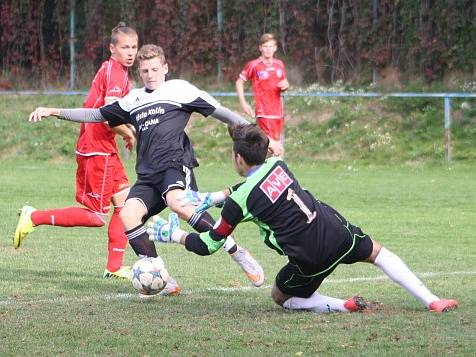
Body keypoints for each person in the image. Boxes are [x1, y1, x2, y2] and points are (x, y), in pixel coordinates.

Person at [27, 44, 268, 295]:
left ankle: (235, 250)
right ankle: (161, 276)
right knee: (128, 215)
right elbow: (96, 114)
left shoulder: (180, 89)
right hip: (148, 175)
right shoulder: (134, 99)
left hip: (175, 165)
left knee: (179, 204)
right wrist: (54, 111)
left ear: (165, 68)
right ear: (139, 73)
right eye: (144, 71)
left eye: (155, 69)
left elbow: (224, 114)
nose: (150, 74)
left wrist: (260, 138)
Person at [147, 124, 459, 313]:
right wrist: (213, 196)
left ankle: (340, 305)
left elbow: (209, 245)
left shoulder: (239, 203)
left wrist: (175, 236)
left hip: (310, 257)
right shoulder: (278, 163)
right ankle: (431, 299)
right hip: (336, 231)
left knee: (281, 297)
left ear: (238, 159)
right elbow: (253, 183)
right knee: (379, 253)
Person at [14, 23, 138, 279]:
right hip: (96, 150)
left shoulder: (114, 70)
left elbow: (108, 115)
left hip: (104, 147)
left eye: (134, 47)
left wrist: (124, 130)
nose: (131, 52)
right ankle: (34, 216)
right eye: (125, 47)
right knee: (95, 216)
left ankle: (114, 267)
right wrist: (130, 132)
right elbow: (108, 119)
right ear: (112, 48)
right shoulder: (115, 73)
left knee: (124, 204)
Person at [236, 33, 289, 157]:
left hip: (278, 113)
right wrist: (243, 103)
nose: (268, 49)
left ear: (275, 48)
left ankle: (271, 172)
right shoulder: (254, 65)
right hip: (264, 112)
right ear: (260, 48)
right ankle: (269, 173)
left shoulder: (279, 65)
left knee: (276, 148)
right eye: (265, 46)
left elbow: (283, 84)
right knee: (272, 148)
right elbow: (239, 82)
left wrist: (286, 85)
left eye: (271, 46)